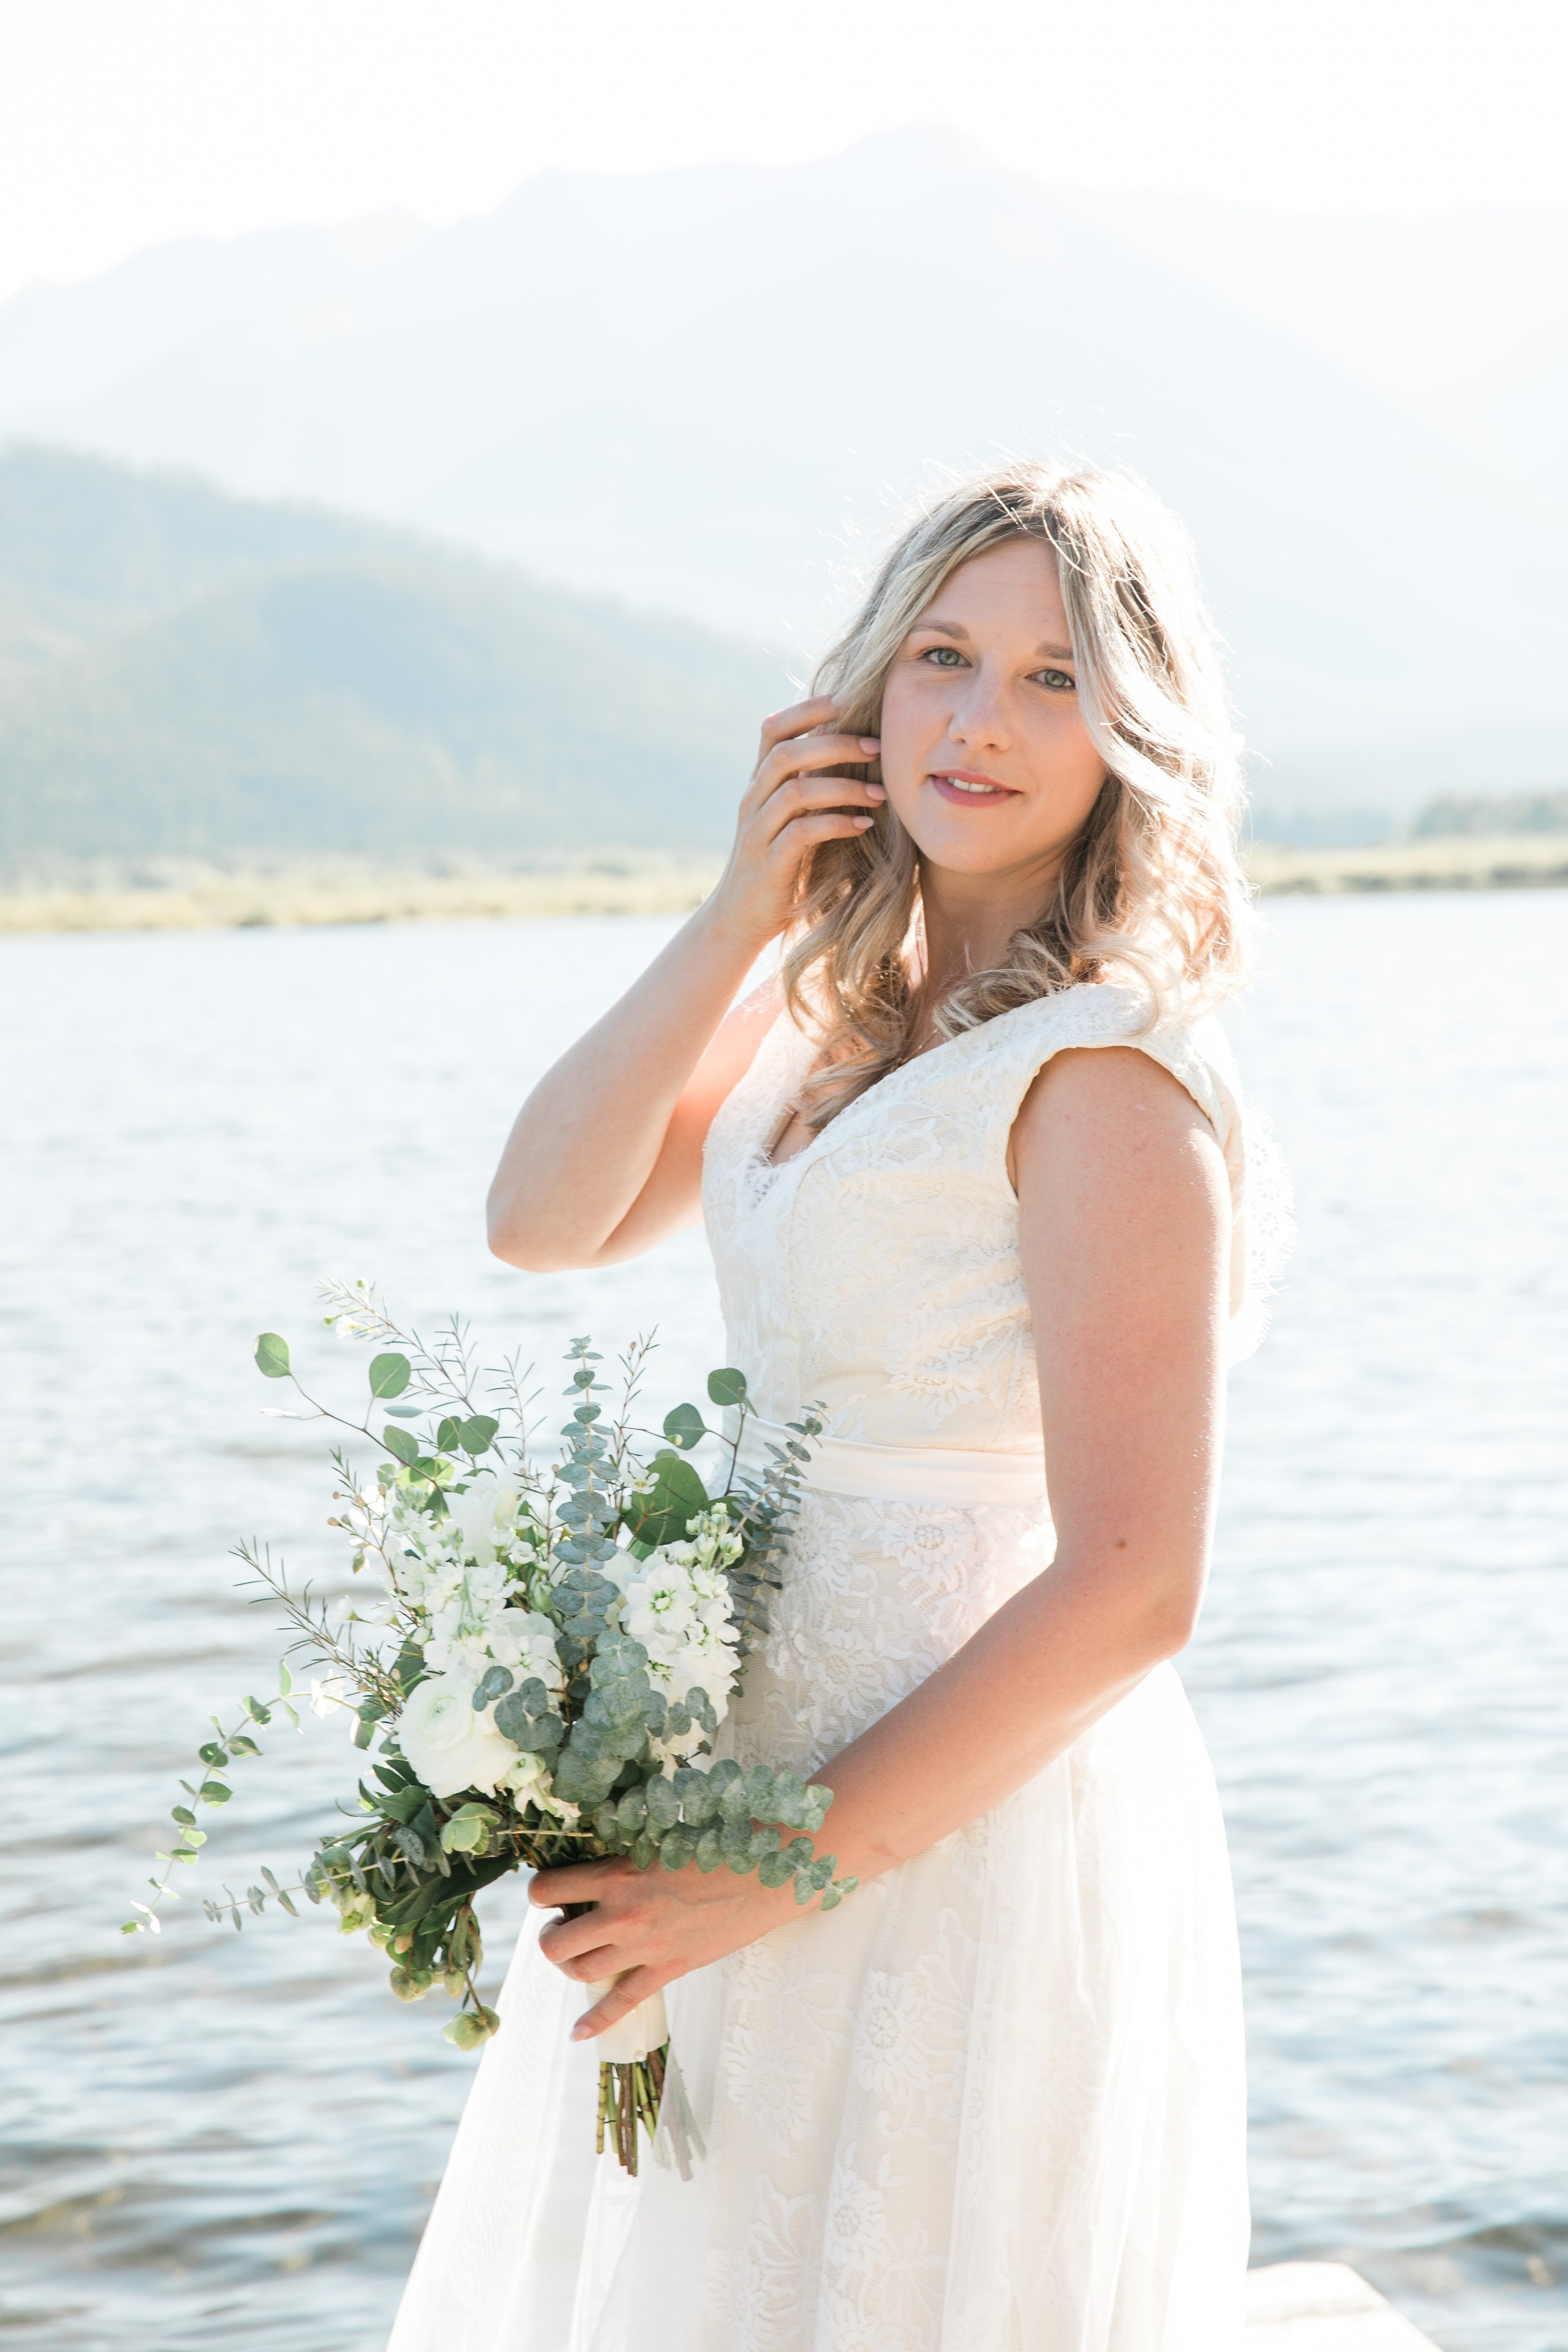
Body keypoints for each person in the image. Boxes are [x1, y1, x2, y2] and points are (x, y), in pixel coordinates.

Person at [388, 462, 1281, 2352]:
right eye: (943, 655)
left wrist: (756, 1874)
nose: (979, 720)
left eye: (1056, 677)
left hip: (952, 1824)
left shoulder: (1107, 1078)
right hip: (736, 1776)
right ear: (863, 689)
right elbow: (538, 1218)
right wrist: (738, 909)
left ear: (1135, 730)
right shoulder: (825, 1013)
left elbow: (1137, 1584)